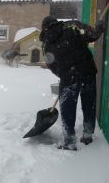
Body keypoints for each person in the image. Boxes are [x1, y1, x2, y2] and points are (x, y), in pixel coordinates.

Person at [39, 16, 105, 151]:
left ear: (44, 28)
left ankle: (69, 141)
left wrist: (64, 74)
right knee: (89, 104)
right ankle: (87, 135)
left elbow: (51, 64)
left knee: (68, 109)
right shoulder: (72, 26)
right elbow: (93, 35)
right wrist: (98, 26)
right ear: (56, 22)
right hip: (87, 71)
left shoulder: (45, 44)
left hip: (68, 78)